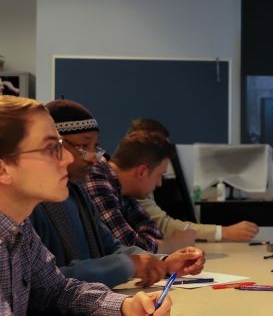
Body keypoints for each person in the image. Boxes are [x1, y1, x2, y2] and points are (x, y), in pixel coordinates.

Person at [0, 95, 171, 315]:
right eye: (51, 148)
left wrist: (124, 306)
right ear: (3, 169)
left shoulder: (20, 229)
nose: (68, 159)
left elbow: (57, 290)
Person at [30, 99, 205, 288]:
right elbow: (47, 280)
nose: (93, 159)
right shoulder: (32, 204)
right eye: (84, 147)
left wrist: (162, 262)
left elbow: (110, 248)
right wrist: (127, 266)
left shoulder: (77, 193)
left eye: (95, 148)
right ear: (53, 148)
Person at [128, 118, 259, 242]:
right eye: (162, 150)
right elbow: (163, 226)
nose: (159, 183)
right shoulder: (132, 185)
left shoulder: (140, 180)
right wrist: (224, 232)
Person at [84, 130, 193, 254]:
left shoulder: (122, 187)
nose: (159, 184)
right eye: (159, 175)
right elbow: (129, 248)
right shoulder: (95, 175)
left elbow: (153, 232)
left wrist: (157, 244)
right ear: (142, 172)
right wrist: (174, 245)